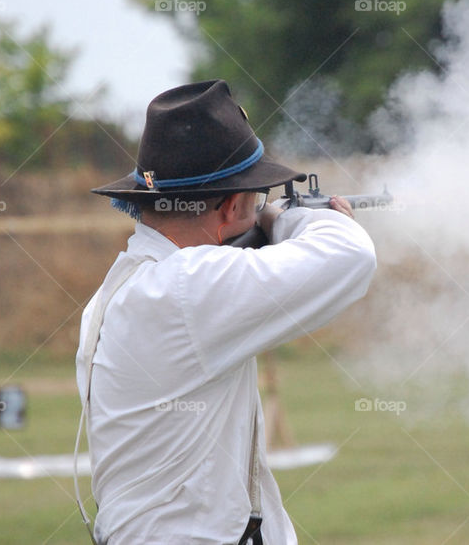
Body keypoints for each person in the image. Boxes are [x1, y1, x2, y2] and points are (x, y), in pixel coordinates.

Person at [75, 80, 377, 544]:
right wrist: (290, 217)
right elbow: (350, 256)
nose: (257, 212)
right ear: (233, 205)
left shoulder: (127, 288)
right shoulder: (186, 285)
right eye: (253, 202)